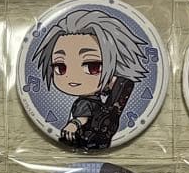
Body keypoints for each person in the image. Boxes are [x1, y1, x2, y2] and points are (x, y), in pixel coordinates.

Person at [33, 8, 149, 150]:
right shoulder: (91, 102)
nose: (73, 76)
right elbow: (84, 117)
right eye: (60, 67)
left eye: (92, 66)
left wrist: (73, 124)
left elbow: (83, 117)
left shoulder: (88, 102)